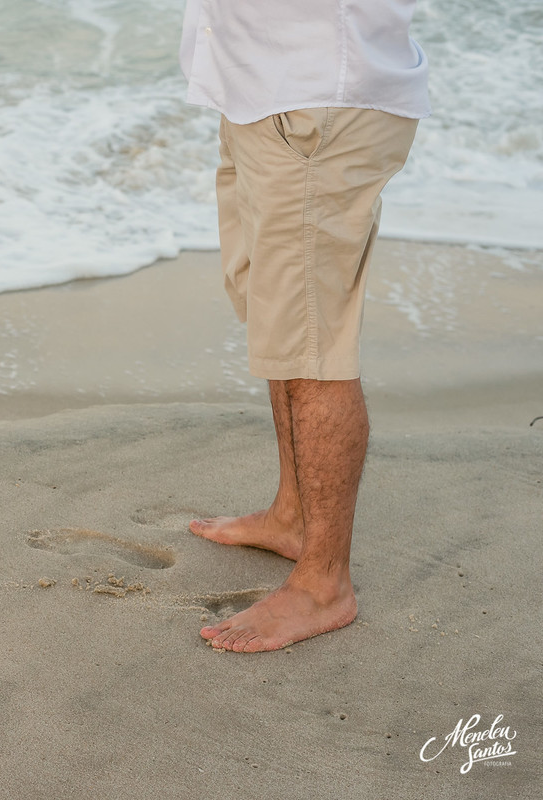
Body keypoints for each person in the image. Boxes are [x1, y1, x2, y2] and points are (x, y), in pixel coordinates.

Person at [179, 0, 429, 651]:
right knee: (283, 328)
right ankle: (293, 517)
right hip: (263, 93)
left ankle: (324, 585)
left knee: (313, 349)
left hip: (313, 105)